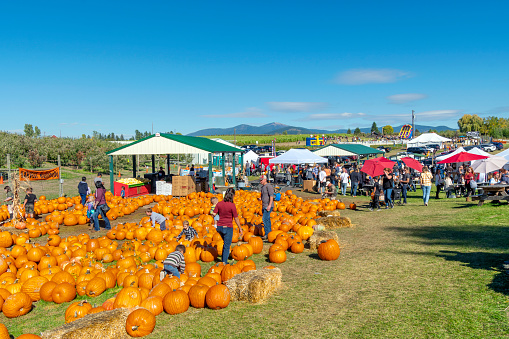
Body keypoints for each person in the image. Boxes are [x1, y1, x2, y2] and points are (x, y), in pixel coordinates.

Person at [212, 188, 242, 264]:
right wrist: (240, 228)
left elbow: (214, 214)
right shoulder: (232, 205)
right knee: (227, 245)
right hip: (228, 227)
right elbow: (236, 218)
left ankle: (224, 257)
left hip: (219, 227)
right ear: (233, 196)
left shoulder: (219, 204)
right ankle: (224, 262)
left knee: (225, 243)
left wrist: (216, 221)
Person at [258, 175, 273, 240]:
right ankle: (269, 233)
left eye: (261, 180)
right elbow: (263, 195)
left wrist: (269, 205)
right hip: (264, 205)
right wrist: (260, 198)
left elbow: (271, 196)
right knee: (267, 219)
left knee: (265, 219)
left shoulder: (268, 186)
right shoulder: (262, 187)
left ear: (265, 179)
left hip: (268, 205)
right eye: (260, 180)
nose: (260, 181)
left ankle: (267, 234)